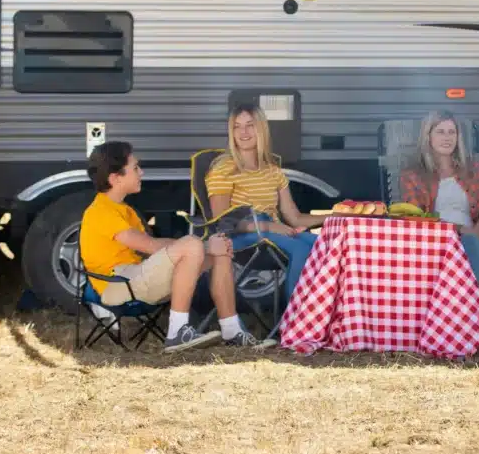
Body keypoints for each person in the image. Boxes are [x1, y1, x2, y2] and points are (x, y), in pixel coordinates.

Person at [78, 140, 274, 353]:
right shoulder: (102, 212)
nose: (141, 172)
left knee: (221, 250)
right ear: (115, 178)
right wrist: (204, 246)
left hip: (135, 277)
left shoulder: (124, 210)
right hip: (118, 285)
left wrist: (208, 248)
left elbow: (153, 252)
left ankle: (231, 330)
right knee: (194, 244)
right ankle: (176, 332)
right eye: (135, 168)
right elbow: (151, 246)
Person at [205, 104, 325, 305]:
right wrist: (267, 226)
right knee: (300, 249)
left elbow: (294, 217)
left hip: (271, 232)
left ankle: (318, 313)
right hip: (242, 237)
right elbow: (223, 222)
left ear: (261, 129)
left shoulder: (273, 171)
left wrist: (336, 215)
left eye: (250, 125)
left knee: (323, 246)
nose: (243, 132)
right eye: (237, 126)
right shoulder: (223, 170)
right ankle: (293, 319)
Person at [399, 110, 479, 311]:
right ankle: (475, 302)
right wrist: (460, 230)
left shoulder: (474, 169)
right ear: (427, 137)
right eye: (440, 132)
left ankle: (466, 305)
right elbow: (416, 217)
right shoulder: (413, 174)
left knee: (471, 243)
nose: (447, 138)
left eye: (452, 132)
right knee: (467, 241)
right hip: (433, 240)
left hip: (472, 237)